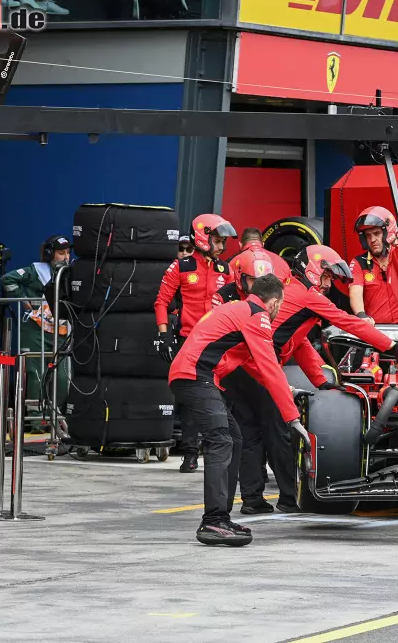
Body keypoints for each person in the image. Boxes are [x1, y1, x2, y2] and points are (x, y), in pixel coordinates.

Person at [237, 244, 398, 513]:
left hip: (244, 366)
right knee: (278, 433)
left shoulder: (294, 293)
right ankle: (287, 499)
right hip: (252, 366)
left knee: (252, 434)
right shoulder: (306, 295)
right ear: (313, 270)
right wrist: (391, 347)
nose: (329, 283)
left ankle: (254, 500)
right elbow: (351, 323)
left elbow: (299, 342)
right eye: (327, 276)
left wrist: (321, 382)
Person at [169, 274, 299, 547]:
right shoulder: (257, 315)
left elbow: (255, 367)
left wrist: (286, 392)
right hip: (197, 375)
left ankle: (221, 518)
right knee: (221, 439)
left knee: (234, 437)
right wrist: (292, 417)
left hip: (194, 375)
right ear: (274, 303)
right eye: (280, 306)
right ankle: (214, 521)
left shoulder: (237, 308)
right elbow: (270, 367)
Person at [209, 247, 296, 514]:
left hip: (255, 366)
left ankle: (282, 496)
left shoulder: (267, 298)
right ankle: (257, 497)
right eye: (250, 279)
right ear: (239, 277)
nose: (255, 285)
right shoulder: (223, 298)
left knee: (267, 432)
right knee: (253, 433)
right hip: (236, 371)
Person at [154, 214, 236, 473]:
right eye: (217, 241)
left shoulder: (227, 270)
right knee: (191, 400)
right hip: (188, 341)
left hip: (219, 342)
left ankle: (217, 448)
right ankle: (189, 453)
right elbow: (161, 302)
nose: (222, 247)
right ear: (203, 238)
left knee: (221, 396)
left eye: (223, 242)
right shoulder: (180, 267)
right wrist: (164, 335)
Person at [0, 235, 72, 436]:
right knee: (36, 376)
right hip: (35, 331)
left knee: (63, 379)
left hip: (61, 331)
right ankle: (36, 421)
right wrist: (24, 300)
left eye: (67, 253)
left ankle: (54, 414)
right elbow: (8, 279)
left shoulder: (71, 273)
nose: (65, 257)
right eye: (60, 253)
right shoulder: (35, 271)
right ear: (49, 254)